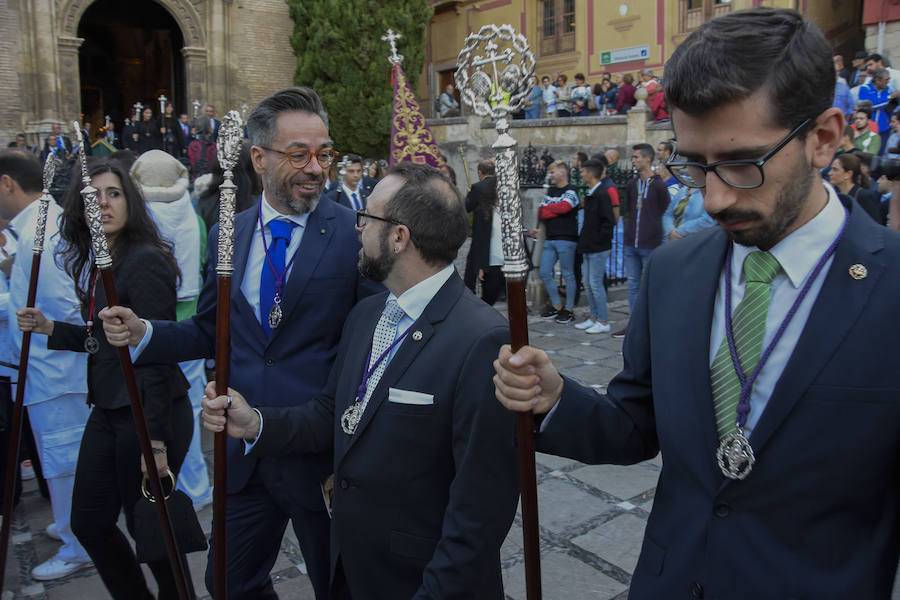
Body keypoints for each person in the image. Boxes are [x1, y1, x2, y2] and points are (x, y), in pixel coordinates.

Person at [493, 7, 900, 598]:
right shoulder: (674, 271)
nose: (713, 198)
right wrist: (558, 399)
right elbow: (637, 424)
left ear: (824, 138)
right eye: (694, 165)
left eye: (742, 163)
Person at [99, 86, 382, 600]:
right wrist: (148, 334)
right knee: (228, 583)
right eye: (298, 154)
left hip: (322, 457)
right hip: (244, 454)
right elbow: (212, 330)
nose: (316, 168)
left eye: (324, 153)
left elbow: (374, 342)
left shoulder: (353, 232)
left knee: (341, 586)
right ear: (259, 157)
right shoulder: (232, 229)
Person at [201, 161, 518, 599]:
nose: (356, 229)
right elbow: (333, 412)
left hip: (416, 581)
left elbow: (479, 512)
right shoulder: (368, 314)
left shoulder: (483, 339)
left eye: (366, 218)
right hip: (352, 566)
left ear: (398, 237)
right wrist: (256, 423)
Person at [16, 157, 196, 598]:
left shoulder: (144, 261)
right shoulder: (104, 261)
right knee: (89, 523)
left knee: (152, 531)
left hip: (148, 412)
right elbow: (107, 342)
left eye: (113, 193)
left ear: (129, 200)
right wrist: (51, 329)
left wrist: (153, 443)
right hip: (111, 407)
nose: (104, 204)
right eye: (93, 197)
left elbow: (152, 353)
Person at [2, 149, 92, 581]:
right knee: (59, 458)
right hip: (43, 372)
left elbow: (65, 311)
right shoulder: (31, 228)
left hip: (58, 373)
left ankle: (81, 544)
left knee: (64, 460)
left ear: (7, 184)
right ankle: (69, 522)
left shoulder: (48, 230)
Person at [130, 150, 212, 508]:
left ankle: (183, 484)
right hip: (190, 314)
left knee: (166, 406)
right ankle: (197, 484)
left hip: (155, 321)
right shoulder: (192, 214)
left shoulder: (142, 219)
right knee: (190, 403)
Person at [614, 143, 668, 338]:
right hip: (631, 243)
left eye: (636, 157)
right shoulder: (631, 184)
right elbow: (628, 208)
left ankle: (652, 325)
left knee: (650, 287)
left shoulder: (659, 185)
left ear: (647, 158)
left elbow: (664, 209)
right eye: (633, 157)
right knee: (633, 285)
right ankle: (634, 325)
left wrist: (653, 230)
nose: (633, 160)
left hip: (650, 243)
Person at [574, 158, 618, 334]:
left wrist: (597, 241)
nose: (582, 174)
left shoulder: (602, 193)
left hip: (598, 247)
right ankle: (593, 317)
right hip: (589, 246)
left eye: (584, 171)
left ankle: (603, 320)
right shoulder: (592, 193)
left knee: (595, 283)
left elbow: (609, 221)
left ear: (591, 173)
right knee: (589, 283)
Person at [534, 161, 579, 324]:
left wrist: (551, 209)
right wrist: (554, 209)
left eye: (552, 172)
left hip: (566, 238)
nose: (550, 175)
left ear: (562, 172)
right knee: (545, 271)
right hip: (551, 238)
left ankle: (569, 309)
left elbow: (565, 208)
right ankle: (557, 304)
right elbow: (541, 211)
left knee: (568, 274)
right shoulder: (551, 190)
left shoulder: (572, 190)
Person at [463, 160, 504, 305]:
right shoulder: (486, 212)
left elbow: (466, 208)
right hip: (488, 252)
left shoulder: (477, 187)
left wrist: (469, 196)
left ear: (480, 173)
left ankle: (470, 290)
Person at [828, 152, 884, 224]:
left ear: (848, 174)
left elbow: (875, 225)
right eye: (831, 169)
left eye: (835, 169)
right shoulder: (834, 194)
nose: (830, 173)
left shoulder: (864, 196)